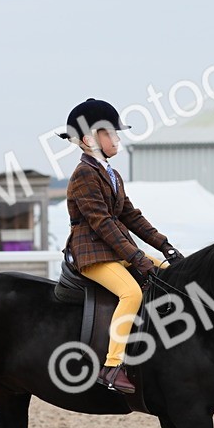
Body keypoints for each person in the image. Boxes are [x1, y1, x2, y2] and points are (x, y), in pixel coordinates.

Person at [59, 98, 183, 394]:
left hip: (114, 250)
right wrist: (136, 256)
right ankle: (113, 366)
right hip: (92, 253)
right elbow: (103, 223)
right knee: (130, 292)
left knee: (168, 273)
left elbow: (130, 215)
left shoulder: (110, 173)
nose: (117, 139)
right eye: (111, 134)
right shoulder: (84, 175)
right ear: (90, 139)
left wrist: (163, 246)